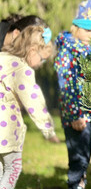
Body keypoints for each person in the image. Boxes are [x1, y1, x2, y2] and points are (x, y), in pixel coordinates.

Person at [0, 25, 60, 188]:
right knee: (13, 167)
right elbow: (34, 102)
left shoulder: (2, 58)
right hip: (6, 131)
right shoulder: (22, 69)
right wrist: (48, 130)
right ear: (32, 49)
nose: (41, 64)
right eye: (42, 59)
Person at [54, 0, 91, 189]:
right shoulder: (68, 50)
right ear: (76, 27)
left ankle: (80, 184)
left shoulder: (86, 49)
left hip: (86, 113)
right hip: (76, 114)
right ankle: (75, 185)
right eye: (87, 29)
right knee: (78, 158)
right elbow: (66, 84)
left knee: (84, 155)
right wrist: (75, 115)